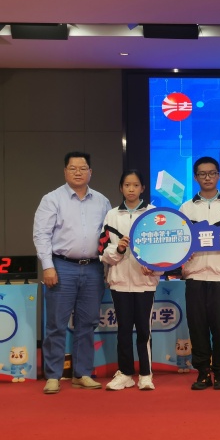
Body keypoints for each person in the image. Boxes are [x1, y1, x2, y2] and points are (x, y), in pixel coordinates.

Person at [33, 151, 111, 394]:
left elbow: (109, 237)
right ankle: (53, 376)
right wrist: (48, 266)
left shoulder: (102, 201)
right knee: (56, 324)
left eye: (83, 168)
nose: (78, 172)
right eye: (73, 168)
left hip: (94, 268)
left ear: (91, 172)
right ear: (65, 171)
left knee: (87, 324)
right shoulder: (52, 199)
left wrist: (108, 268)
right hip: (61, 267)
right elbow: (41, 235)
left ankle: (82, 373)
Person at [179, 156, 220, 390]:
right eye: (202, 174)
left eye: (212, 173)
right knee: (197, 327)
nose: (207, 178)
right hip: (195, 275)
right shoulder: (186, 208)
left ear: (218, 175)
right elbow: (179, 241)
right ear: (196, 177)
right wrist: (183, 253)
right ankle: (203, 372)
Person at [99, 170, 160, 391]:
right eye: (127, 185)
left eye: (135, 185)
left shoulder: (154, 214)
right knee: (124, 329)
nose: (131, 189)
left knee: (144, 330)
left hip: (145, 282)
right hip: (120, 282)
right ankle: (125, 373)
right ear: (121, 188)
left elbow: (163, 250)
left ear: (142, 188)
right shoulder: (112, 215)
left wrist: (154, 267)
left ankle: (145, 374)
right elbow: (103, 251)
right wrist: (119, 249)